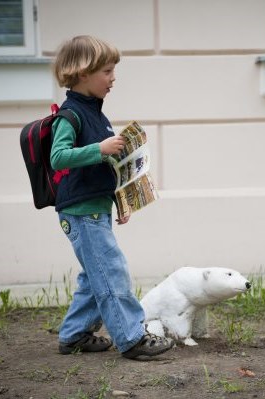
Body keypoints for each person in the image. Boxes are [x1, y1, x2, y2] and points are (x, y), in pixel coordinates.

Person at [49, 35, 173, 360]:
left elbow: (109, 166)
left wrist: (121, 200)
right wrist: (99, 148)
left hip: (96, 208)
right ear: (82, 72)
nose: (113, 78)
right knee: (111, 271)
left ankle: (74, 335)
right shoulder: (70, 115)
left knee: (95, 276)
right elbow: (58, 157)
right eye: (107, 71)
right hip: (80, 210)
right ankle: (132, 338)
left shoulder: (98, 116)